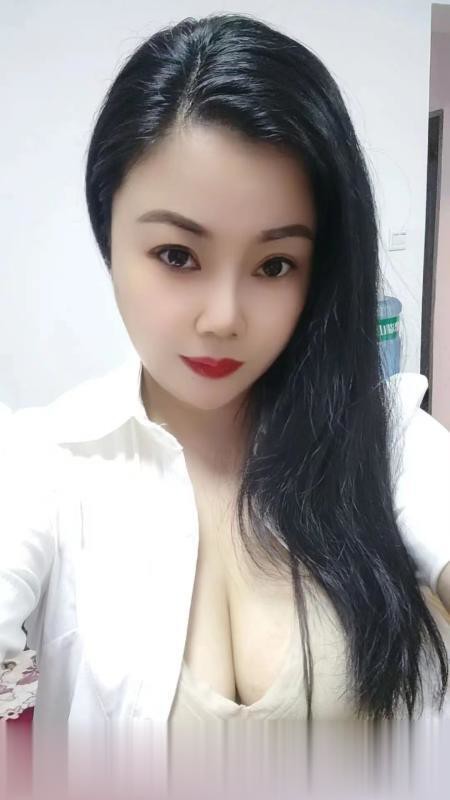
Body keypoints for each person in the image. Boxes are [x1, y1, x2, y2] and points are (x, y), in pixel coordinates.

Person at [1, 11, 449, 797]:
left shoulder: (387, 442)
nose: (223, 317)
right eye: (177, 255)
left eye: (275, 265)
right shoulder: (45, 461)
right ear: (109, 235)